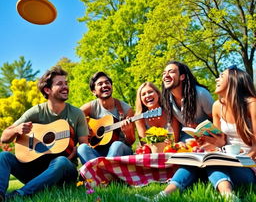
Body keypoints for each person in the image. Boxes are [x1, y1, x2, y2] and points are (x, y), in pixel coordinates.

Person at [142, 66, 256, 202]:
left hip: (247, 167)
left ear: (234, 80)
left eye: (221, 76)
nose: (216, 79)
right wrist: (208, 142)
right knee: (198, 161)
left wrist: (240, 161)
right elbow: (221, 142)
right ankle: (161, 196)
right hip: (227, 160)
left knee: (214, 162)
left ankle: (228, 196)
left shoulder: (251, 104)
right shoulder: (217, 107)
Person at [0, 66, 89, 201]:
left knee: (61, 161)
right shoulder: (36, 111)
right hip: (35, 172)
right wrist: (16, 130)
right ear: (47, 90)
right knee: (4, 156)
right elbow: (4, 137)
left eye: (66, 83)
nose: (65, 86)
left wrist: (75, 152)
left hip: (63, 172)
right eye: (60, 84)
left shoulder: (77, 114)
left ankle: (20, 194)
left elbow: (84, 146)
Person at [77, 71, 135, 164]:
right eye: (100, 84)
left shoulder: (126, 109)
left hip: (120, 152)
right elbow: (76, 117)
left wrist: (128, 133)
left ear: (111, 87)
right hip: (98, 151)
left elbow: (131, 141)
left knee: (117, 145)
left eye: (107, 82)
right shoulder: (92, 106)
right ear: (94, 91)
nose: (104, 85)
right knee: (82, 148)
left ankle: (99, 172)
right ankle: (105, 172)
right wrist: (84, 128)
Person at [162, 60, 214, 142]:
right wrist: (173, 145)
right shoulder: (168, 100)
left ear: (182, 77)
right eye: (164, 73)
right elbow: (175, 128)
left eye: (171, 72)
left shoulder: (201, 93)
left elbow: (217, 120)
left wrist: (199, 128)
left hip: (209, 140)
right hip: (186, 142)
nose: (166, 75)